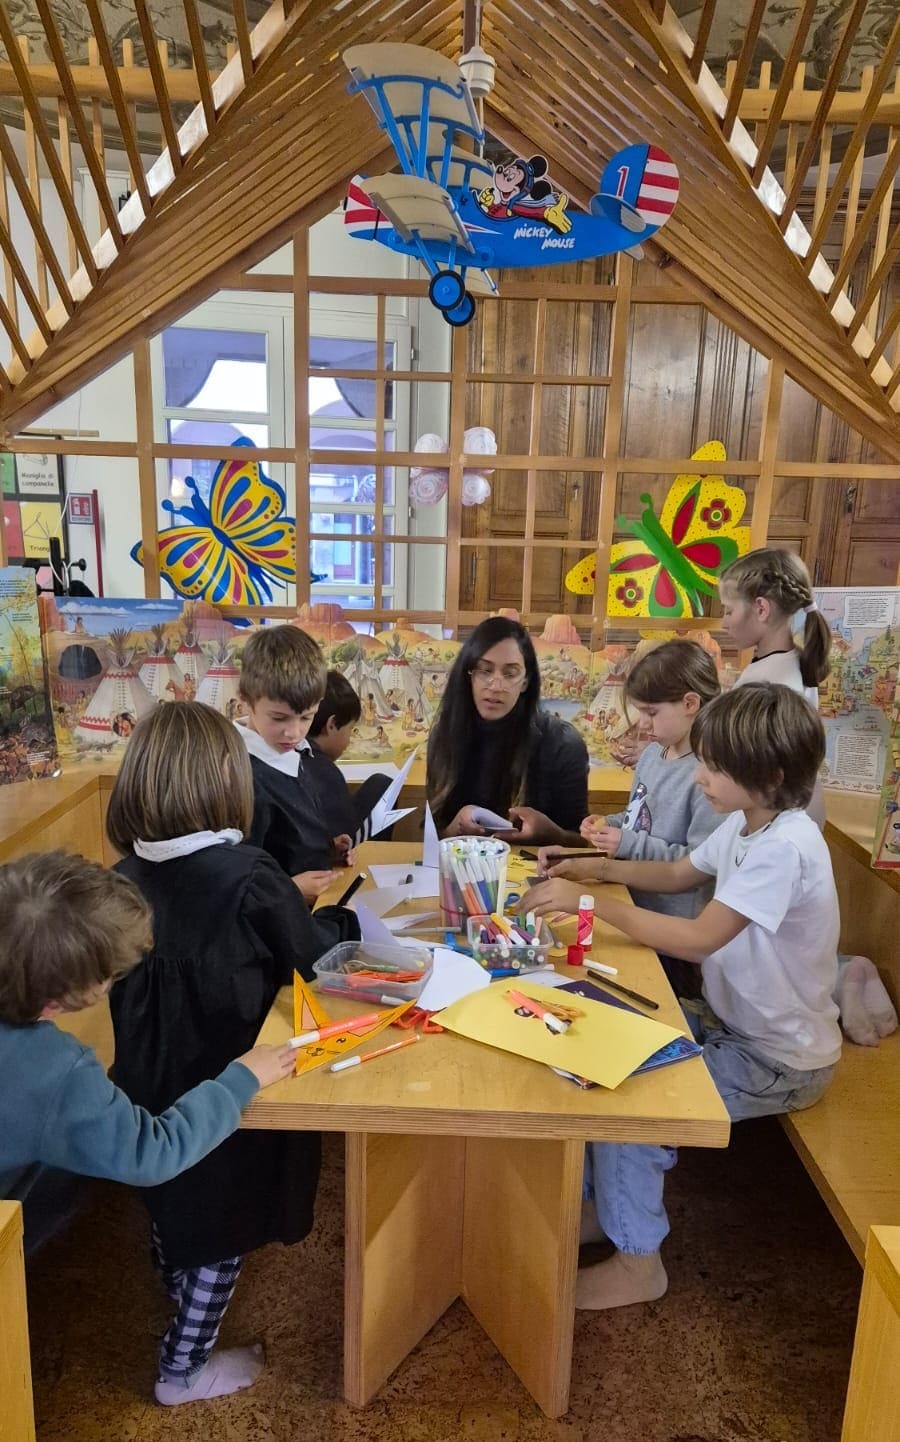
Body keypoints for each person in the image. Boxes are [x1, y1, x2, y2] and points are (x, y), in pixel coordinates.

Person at [529, 684, 841, 1311]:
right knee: (602, 1045)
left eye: (715, 767)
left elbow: (700, 939)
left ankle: (640, 1264)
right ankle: (602, 1208)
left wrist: (594, 905)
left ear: (770, 775)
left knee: (637, 1102)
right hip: (732, 1025)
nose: (700, 775)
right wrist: (597, 867)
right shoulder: (750, 823)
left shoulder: (786, 846)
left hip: (776, 1059)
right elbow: (678, 873)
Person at [106, 702, 359, 1406]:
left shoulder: (124, 874)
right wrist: (340, 914)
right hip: (223, 1088)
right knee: (225, 1231)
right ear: (225, 778)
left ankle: (175, 1292)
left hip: (145, 1083)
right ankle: (181, 1369)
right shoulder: (249, 873)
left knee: (173, 1203)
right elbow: (316, 957)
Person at [0, 850, 295, 1258]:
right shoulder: (57, 1069)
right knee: (66, 1180)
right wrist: (239, 1079)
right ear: (59, 998)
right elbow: (150, 1154)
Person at [574, 640, 724, 997]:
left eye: (652, 712)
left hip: (673, 932)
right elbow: (639, 816)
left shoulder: (711, 777)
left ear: (690, 704)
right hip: (633, 907)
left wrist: (627, 843)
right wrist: (609, 824)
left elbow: (696, 865)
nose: (643, 723)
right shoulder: (653, 755)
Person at [426, 616, 589, 845]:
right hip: (463, 871)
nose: (495, 686)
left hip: (538, 875)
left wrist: (551, 834)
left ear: (525, 681)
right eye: (485, 671)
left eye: (510, 674)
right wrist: (457, 827)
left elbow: (582, 843)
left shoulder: (563, 743)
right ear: (468, 675)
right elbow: (432, 841)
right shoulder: (446, 736)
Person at [236, 625, 351, 900]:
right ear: (245, 703)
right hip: (278, 918)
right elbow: (237, 879)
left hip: (313, 900)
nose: (295, 732)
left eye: (307, 717)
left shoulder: (291, 750)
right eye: (279, 718)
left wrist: (326, 848)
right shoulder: (239, 775)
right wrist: (291, 890)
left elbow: (286, 838)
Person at [719, 548, 831, 827]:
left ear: (761, 608)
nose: (724, 623)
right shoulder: (783, 662)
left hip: (775, 820)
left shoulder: (773, 681)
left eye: (729, 610)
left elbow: (747, 759)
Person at [307, 670, 393, 845]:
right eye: (350, 730)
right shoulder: (326, 772)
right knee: (383, 785)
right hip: (333, 856)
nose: (349, 739)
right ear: (332, 725)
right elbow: (343, 831)